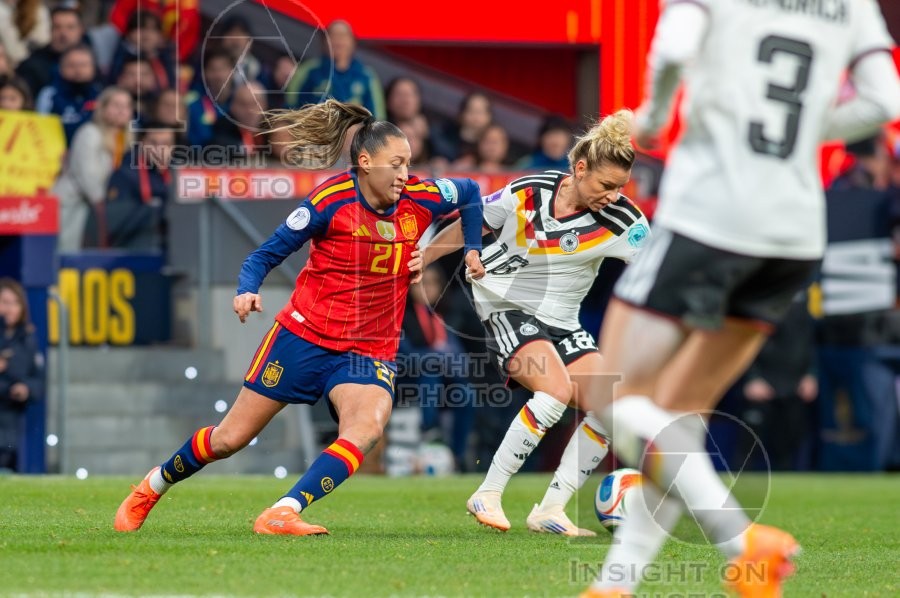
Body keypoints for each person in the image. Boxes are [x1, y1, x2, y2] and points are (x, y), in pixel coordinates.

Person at [579, 1, 900, 597]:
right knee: (680, 414)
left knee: (609, 395)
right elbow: (885, 100)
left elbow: (674, 48)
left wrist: (652, 119)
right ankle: (615, 584)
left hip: (711, 214)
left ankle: (739, 539)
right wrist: (809, 134)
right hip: (795, 233)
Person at [113, 99, 486, 536]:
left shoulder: (420, 197)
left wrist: (471, 248)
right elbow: (264, 255)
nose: (406, 174)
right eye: (396, 163)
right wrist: (247, 290)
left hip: (368, 349)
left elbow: (471, 193)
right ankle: (152, 486)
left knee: (365, 429)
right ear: (366, 163)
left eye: (408, 163)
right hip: (303, 337)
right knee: (229, 439)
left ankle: (284, 511)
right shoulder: (330, 201)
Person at [424, 110, 650, 535]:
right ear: (579, 169)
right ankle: (488, 493)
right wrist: (422, 259)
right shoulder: (529, 190)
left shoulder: (626, 223)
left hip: (563, 322)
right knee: (555, 390)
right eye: (606, 185)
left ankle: (550, 510)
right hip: (503, 305)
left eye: (620, 187)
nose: (613, 196)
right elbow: (473, 223)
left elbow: (657, 278)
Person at [54, 86, 133, 252]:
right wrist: (105, 203)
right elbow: (87, 175)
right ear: (102, 108)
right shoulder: (89, 133)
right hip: (76, 203)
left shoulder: (126, 140)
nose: (122, 111)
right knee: (68, 253)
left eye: (126, 106)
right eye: (116, 105)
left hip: (102, 206)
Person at [88, 125, 174, 251]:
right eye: (153, 143)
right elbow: (115, 223)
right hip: (134, 249)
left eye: (166, 144)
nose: (159, 149)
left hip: (171, 247)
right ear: (142, 144)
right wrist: (154, 210)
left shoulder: (178, 174)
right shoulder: (124, 174)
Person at [285, 20, 385, 119]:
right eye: (333, 35)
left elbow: (378, 117)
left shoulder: (366, 75)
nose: (338, 40)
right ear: (324, 41)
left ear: (353, 42)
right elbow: (289, 107)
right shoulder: (309, 69)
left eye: (343, 35)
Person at [0, 278, 44, 472]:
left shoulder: (27, 338)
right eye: (4, 302)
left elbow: (39, 380)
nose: (9, 309)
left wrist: (25, 389)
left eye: (14, 303)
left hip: (11, 420)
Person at [35, 44, 102, 144]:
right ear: (61, 68)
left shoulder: (102, 95)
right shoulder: (49, 94)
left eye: (83, 65)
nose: (78, 70)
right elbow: (39, 128)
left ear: (93, 68)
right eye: (71, 65)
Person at [15, 7, 85, 97]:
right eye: (57, 27)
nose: (63, 33)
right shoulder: (32, 66)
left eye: (70, 27)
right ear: (49, 29)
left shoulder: (91, 60)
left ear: (81, 30)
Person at [0, 0, 50, 67]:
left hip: (32, 62)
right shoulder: (2, 11)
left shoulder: (38, 10)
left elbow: (43, 40)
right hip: (8, 63)